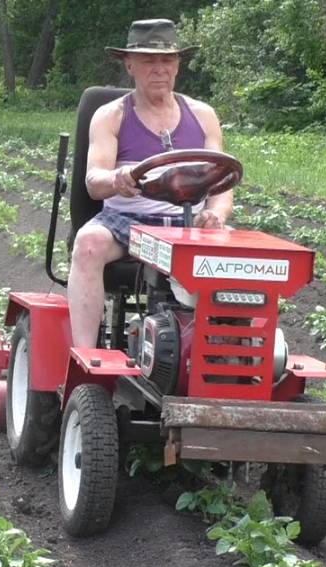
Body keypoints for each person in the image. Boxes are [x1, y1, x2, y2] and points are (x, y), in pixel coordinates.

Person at [68, 18, 234, 349]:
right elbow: (93, 181)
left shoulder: (203, 116)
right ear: (129, 65)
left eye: (166, 60)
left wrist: (217, 213)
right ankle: (85, 356)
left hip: (187, 226)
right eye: (148, 60)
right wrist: (117, 178)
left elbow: (221, 183)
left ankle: (219, 353)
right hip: (125, 224)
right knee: (87, 244)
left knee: (241, 259)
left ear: (177, 65)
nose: (159, 69)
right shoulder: (111, 115)